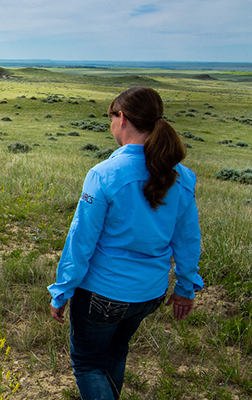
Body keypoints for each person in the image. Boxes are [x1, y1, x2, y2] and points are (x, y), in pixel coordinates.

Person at [47, 86, 203, 400]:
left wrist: (62, 289)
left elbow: (81, 240)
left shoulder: (103, 174)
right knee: (117, 352)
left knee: (88, 364)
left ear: (122, 118)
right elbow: (188, 239)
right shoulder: (182, 177)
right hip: (149, 293)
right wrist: (186, 286)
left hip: (102, 293)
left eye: (111, 119)